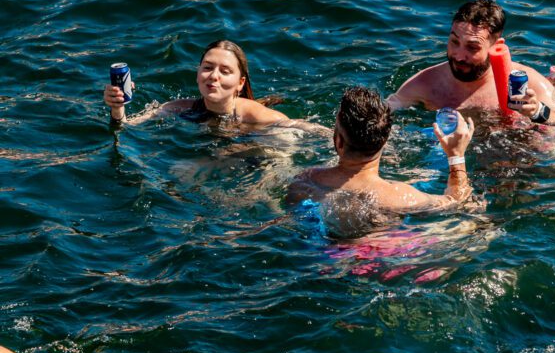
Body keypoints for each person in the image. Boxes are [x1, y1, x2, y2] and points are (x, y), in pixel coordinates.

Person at [288, 87, 481, 230]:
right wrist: (456, 156)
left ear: (338, 141)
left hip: (325, 256)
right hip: (388, 256)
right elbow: (458, 202)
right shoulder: (403, 197)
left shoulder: (305, 181)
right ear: (384, 141)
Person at [387, 0, 555, 125]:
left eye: (472, 47)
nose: (459, 55)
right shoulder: (426, 83)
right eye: (454, 42)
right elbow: (385, 111)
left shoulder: (528, 82)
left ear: (497, 46)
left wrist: (537, 111)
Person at [104, 39, 290, 127]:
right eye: (207, 68)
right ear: (198, 73)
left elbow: (302, 129)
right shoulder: (178, 107)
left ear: (240, 83)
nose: (213, 76)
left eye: (225, 71)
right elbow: (126, 128)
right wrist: (117, 107)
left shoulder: (254, 114)